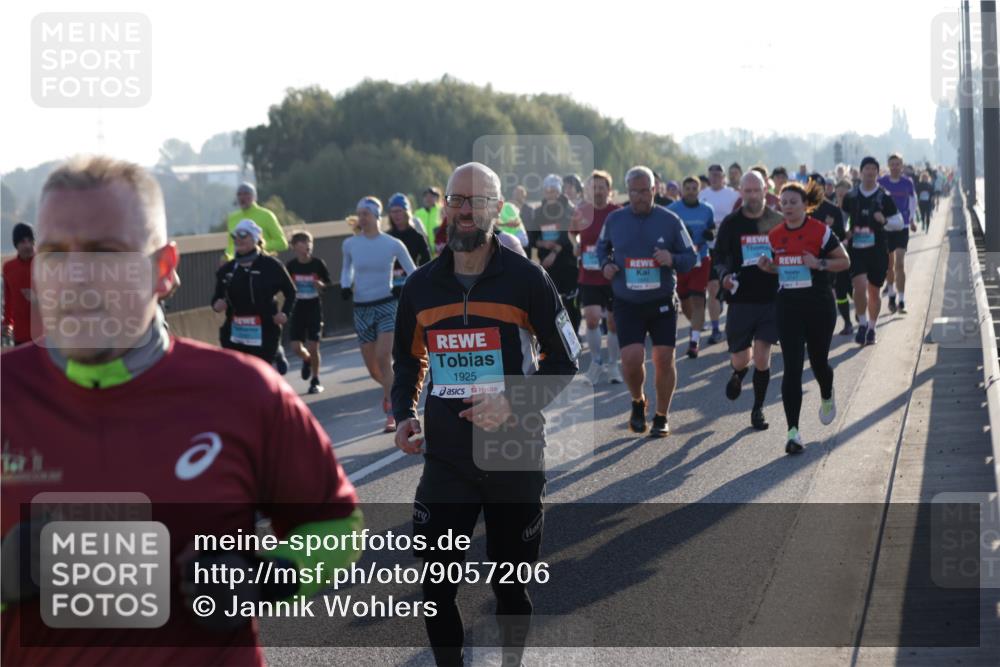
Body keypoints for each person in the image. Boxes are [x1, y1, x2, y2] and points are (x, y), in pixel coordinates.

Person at [1, 155, 360, 666]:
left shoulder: (245, 392)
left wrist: (267, 577)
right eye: (56, 255)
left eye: (107, 254)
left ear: (164, 269)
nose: (77, 278)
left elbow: (336, 525)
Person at [391, 162, 577, 667]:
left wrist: (512, 401)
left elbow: (566, 360)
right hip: (447, 460)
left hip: (513, 455)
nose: (465, 210)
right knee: (435, 588)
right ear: (444, 207)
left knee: (510, 589)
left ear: (497, 208)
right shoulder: (421, 287)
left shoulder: (528, 280)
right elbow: (408, 360)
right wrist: (404, 413)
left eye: (476, 201)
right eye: (457, 200)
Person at [598, 166, 697, 437]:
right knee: (631, 359)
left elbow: (691, 257)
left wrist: (672, 259)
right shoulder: (615, 220)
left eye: (644, 191)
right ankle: (638, 400)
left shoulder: (671, 220)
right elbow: (601, 248)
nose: (639, 197)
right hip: (627, 301)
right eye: (634, 192)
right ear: (627, 192)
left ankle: (662, 415)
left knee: (664, 358)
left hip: (661, 300)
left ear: (654, 190)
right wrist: (605, 264)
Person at [757, 181, 850, 454]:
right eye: (783, 203)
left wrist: (819, 263)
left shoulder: (820, 231)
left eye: (792, 202)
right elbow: (780, 268)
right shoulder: (774, 235)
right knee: (792, 367)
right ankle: (793, 433)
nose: (787, 207)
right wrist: (768, 267)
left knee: (819, 362)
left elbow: (844, 262)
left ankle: (826, 392)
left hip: (819, 305)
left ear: (804, 204)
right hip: (788, 306)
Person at [714, 171, 784, 430]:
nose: (753, 196)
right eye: (748, 191)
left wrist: (776, 268)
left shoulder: (777, 221)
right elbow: (719, 258)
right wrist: (723, 277)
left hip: (770, 298)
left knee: (763, 357)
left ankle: (758, 409)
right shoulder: (731, 224)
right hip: (741, 299)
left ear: (765, 190)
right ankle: (738, 373)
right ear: (740, 192)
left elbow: (787, 255)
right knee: (741, 358)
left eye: (757, 190)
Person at [341, 196, 417, 432]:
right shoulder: (350, 244)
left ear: (376, 216)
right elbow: (347, 270)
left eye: (366, 213)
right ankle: (390, 393)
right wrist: (345, 285)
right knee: (373, 368)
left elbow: (413, 271)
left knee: (384, 357)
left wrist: (406, 291)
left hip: (386, 304)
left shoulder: (392, 243)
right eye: (359, 213)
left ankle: (393, 410)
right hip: (361, 308)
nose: (361, 217)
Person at [213, 219, 297, 370]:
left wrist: (284, 313)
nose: (238, 239)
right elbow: (216, 297)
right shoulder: (227, 269)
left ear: (255, 238)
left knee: (260, 373)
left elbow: (290, 292)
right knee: (239, 375)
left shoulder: (271, 265)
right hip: (235, 332)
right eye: (235, 236)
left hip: (265, 330)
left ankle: (276, 352)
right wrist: (217, 305)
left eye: (243, 235)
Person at [225, 182, 291, 373]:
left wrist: (259, 247)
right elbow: (231, 245)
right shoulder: (233, 218)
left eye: (246, 194)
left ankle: (275, 350)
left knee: (265, 310)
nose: (242, 197)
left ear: (253, 196)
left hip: (264, 269)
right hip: (241, 268)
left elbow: (282, 242)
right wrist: (227, 258)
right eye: (239, 194)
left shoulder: (265, 215)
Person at [843, 157, 904, 346]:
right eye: (866, 169)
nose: (869, 172)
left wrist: (884, 221)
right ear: (861, 172)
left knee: (874, 292)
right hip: (857, 250)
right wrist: (845, 231)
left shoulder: (883, 197)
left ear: (877, 173)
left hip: (878, 250)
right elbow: (843, 218)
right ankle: (861, 324)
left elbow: (899, 223)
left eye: (873, 169)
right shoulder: (851, 196)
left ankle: (871, 327)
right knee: (859, 287)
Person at [572, 170, 623, 384]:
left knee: (613, 323)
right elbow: (572, 231)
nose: (598, 191)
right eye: (593, 187)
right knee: (592, 319)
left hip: (612, 275)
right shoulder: (581, 211)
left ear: (609, 190)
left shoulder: (617, 212)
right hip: (589, 273)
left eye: (602, 187)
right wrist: (575, 244)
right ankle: (596, 362)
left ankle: (613, 365)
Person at [667, 178, 716, 358]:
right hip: (681, 262)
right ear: (682, 189)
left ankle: (694, 341)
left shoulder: (707, 209)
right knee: (684, 300)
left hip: (701, 259)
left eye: (694, 188)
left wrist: (710, 233)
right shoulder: (673, 210)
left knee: (698, 300)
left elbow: (712, 228)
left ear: (699, 190)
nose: (690, 191)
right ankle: (695, 325)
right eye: (687, 188)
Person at [530, 174, 581, 336]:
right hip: (547, 264)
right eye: (547, 191)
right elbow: (531, 237)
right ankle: (556, 335)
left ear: (559, 192)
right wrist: (542, 244)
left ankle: (574, 334)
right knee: (551, 302)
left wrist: (553, 252)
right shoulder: (538, 212)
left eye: (553, 191)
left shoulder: (569, 208)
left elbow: (567, 234)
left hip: (567, 263)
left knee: (570, 301)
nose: (550, 194)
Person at [286, 230, 333, 394]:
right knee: (295, 347)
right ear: (294, 247)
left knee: (313, 346)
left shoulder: (318, 263)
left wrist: (321, 285)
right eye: (302, 243)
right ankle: (306, 359)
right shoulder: (291, 266)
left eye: (309, 243)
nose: (307, 246)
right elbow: (284, 287)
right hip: (297, 308)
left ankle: (315, 379)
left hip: (313, 307)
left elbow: (328, 283)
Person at [698, 164, 740, 345]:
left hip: (729, 247)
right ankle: (716, 329)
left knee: (731, 286)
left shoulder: (733, 194)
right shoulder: (703, 195)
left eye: (718, 175)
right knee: (712, 288)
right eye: (711, 175)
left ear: (723, 177)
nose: (715, 178)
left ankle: (735, 323)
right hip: (710, 248)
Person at [878, 153, 918, 314]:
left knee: (900, 263)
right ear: (888, 166)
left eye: (897, 164)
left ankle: (902, 300)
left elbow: (913, 201)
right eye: (892, 164)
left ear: (902, 165)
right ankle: (891, 295)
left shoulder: (907, 183)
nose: (895, 167)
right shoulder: (882, 182)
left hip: (903, 225)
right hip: (887, 227)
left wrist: (913, 219)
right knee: (889, 265)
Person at [386, 193, 432, 299]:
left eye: (398, 211)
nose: (395, 215)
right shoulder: (387, 237)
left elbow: (427, 262)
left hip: (411, 286)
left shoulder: (417, 237)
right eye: (393, 212)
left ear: (406, 212)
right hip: (390, 289)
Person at [2, 223, 35, 346]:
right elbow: (8, 298)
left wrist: (37, 299)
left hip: (44, 336)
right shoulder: (8, 268)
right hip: (20, 335)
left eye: (30, 241)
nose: (27, 245)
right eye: (22, 241)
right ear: (16, 245)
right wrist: (7, 323)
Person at [413, 187, 444, 255]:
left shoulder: (442, 210)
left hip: (439, 253)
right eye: (426, 196)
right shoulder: (417, 213)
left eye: (431, 196)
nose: (428, 198)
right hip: (423, 253)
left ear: (437, 198)